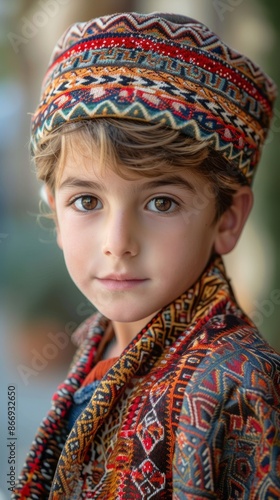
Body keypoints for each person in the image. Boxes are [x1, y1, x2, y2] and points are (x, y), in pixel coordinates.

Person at [13, 11, 280, 500]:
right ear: (54, 211)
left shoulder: (242, 386)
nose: (119, 242)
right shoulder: (96, 346)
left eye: (162, 203)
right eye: (87, 201)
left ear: (227, 219)